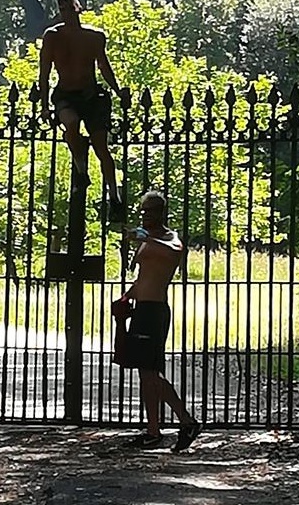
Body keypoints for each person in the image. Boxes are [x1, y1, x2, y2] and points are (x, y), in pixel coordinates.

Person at [118, 191, 202, 451]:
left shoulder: (169, 238)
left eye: (151, 211)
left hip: (155, 312)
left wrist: (147, 237)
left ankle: (187, 421)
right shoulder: (147, 240)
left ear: (162, 212)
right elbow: (144, 277)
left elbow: (176, 250)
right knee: (145, 373)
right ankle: (153, 430)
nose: (146, 215)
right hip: (141, 308)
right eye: (143, 211)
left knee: (152, 373)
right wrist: (126, 296)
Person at [39, 0, 127, 224]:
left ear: (77, 8)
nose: (66, 14)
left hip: (91, 95)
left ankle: (114, 198)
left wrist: (118, 91)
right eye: (62, 10)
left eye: (69, 8)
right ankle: (81, 167)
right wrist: (44, 105)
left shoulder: (94, 37)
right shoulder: (52, 37)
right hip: (66, 95)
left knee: (102, 147)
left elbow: (104, 67)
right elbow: (44, 72)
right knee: (71, 123)